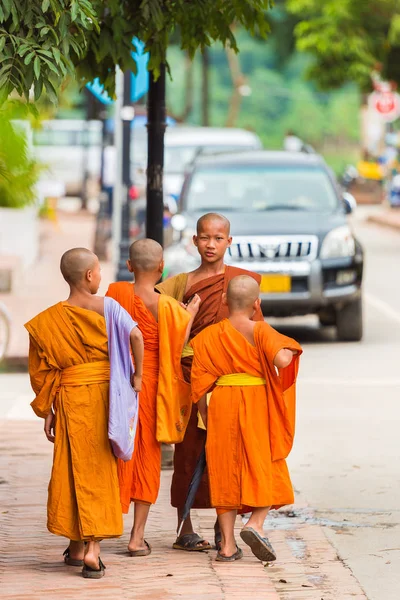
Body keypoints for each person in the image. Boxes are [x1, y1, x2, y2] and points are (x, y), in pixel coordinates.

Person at [25, 248, 144, 578]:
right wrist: (137, 376)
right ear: (91, 276)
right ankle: (91, 549)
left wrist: (48, 408)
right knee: (100, 469)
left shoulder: (49, 320)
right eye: (99, 272)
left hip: (69, 398)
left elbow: (42, 372)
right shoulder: (107, 307)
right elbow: (136, 335)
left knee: (71, 468)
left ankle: (76, 546)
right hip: (106, 399)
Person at [156, 212, 264, 552]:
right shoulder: (179, 284)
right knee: (187, 451)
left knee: (227, 454)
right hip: (189, 376)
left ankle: (223, 526)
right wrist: (185, 320)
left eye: (218, 238)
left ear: (229, 242)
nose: (211, 244)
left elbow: (255, 330)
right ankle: (184, 525)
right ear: (194, 241)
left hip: (229, 382)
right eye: (205, 237)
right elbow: (162, 334)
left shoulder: (243, 282)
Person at [190, 275, 302, 562]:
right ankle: (255, 522)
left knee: (225, 469)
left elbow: (200, 385)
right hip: (257, 402)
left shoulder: (207, 337)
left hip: (223, 402)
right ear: (257, 303)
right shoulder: (260, 330)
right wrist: (288, 347)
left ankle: (227, 546)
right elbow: (283, 361)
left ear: (225, 301)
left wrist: (206, 414)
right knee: (265, 462)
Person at [106, 239, 201, 556]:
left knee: (113, 453)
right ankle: (136, 538)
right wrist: (189, 317)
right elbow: (174, 350)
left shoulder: (115, 293)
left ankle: (98, 529)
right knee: (147, 456)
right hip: (151, 388)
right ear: (162, 268)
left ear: (130, 266)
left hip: (118, 383)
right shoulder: (171, 308)